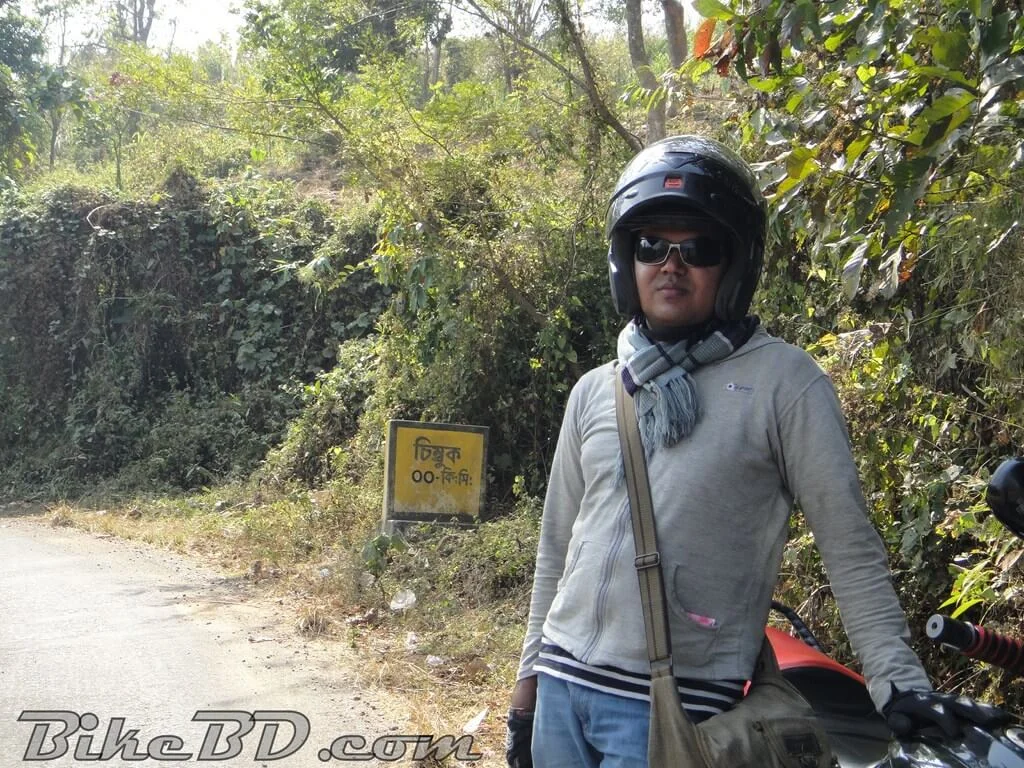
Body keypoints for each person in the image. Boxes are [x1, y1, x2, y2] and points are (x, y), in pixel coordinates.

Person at [505, 135, 1007, 768]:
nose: (670, 264)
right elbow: (558, 547)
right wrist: (526, 690)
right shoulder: (598, 390)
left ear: (735, 264)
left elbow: (848, 545)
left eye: (699, 249)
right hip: (561, 689)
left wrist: (897, 682)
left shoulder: (784, 384)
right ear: (624, 261)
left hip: (675, 708)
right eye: (651, 245)